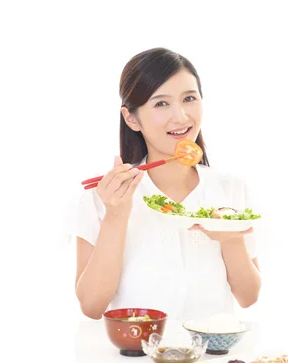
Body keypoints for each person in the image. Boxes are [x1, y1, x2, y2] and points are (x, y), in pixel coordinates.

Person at [68, 47, 261, 321]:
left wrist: (230, 237)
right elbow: (91, 306)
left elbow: (248, 297)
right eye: (161, 103)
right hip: (136, 357)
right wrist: (116, 216)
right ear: (131, 118)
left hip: (209, 360)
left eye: (190, 98)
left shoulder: (230, 188)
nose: (181, 116)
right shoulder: (103, 197)